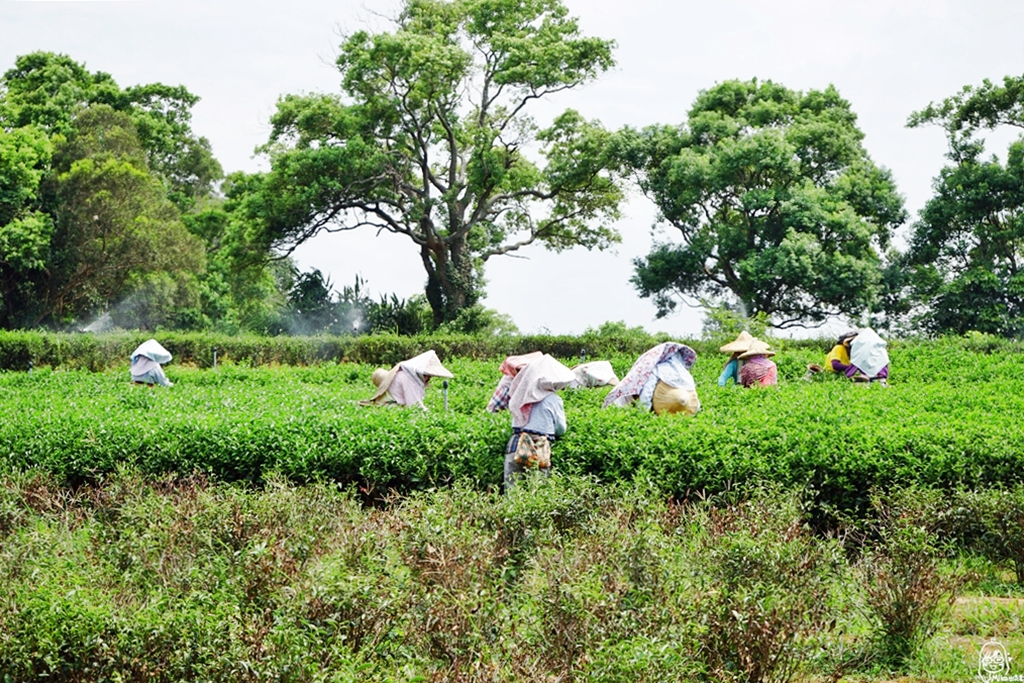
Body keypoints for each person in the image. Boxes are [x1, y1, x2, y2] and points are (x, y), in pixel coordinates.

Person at [504, 354, 575, 490]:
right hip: (539, 447)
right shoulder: (554, 399)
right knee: (537, 490)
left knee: (512, 489)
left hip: (516, 445)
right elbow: (561, 429)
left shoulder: (521, 393)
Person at [602, 342, 700, 416]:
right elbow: (694, 397)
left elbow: (647, 391)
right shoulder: (685, 374)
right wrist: (693, 411)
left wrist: (643, 413)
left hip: (662, 406)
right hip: (681, 410)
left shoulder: (659, 368)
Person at [360, 350, 453, 410]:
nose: (428, 378)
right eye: (426, 374)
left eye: (430, 375)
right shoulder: (408, 379)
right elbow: (415, 406)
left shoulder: (405, 374)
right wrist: (433, 418)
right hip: (391, 411)